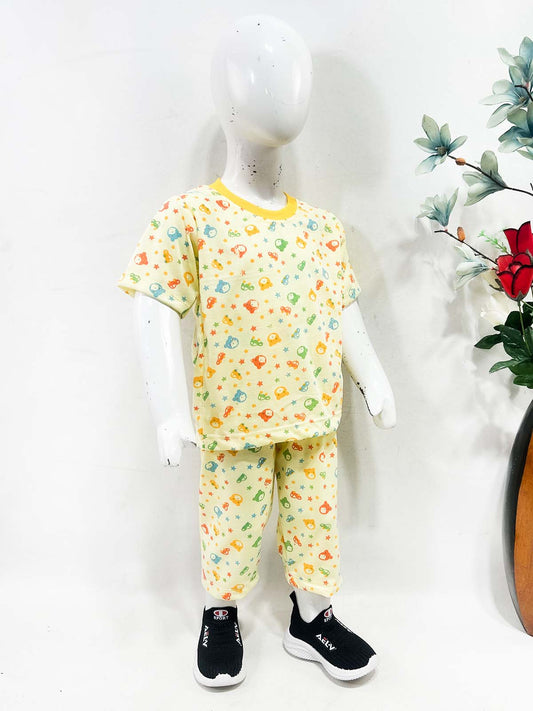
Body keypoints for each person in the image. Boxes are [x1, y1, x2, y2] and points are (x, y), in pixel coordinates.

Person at [117, 13, 395, 688]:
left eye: (294, 76)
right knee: (231, 517)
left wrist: (373, 374)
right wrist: (168, 410)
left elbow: (341, 307)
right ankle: (221, 612)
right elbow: (154, 300)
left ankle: (312, 616)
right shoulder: (192, 216)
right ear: (227, 92)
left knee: (314, 517)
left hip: (312, 413)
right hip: (233, 416)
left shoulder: (321, 230)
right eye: (264, 72)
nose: (284, 89)